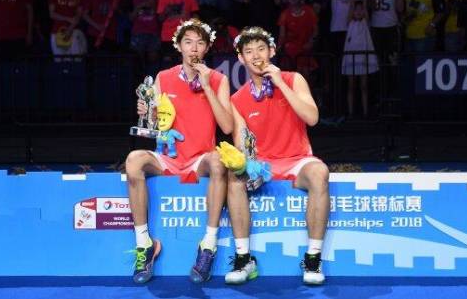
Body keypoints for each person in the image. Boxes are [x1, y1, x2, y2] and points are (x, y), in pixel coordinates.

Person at [125, 19, 233, 284]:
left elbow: (228, 126)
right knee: (133, 160)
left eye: (199, 43)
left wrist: (207, 86)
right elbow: (155, 124)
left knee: (219, 161)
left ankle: (208, 245)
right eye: (188, 42)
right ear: (179, 47)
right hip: (169, 157)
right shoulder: (163, 77)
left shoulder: (219, 79)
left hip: (200, 158)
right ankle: (144, 244)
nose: (194, 48)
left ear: (206, 48)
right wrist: (147, 112)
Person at [224, 27, 329, 286]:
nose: (256, 56)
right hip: (263, 165)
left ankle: (313, 258)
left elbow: (312, 118)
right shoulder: (237, 99)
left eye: (261, 49)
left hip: (298, 160)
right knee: (234, 177)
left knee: (320, 172)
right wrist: (246, 166)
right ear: (241, 58)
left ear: (271, 51)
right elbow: (242, 143)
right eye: (249, 51)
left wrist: (280, 83)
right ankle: (244, 258)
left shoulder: (294, 79)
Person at [342, 0, 379, 118]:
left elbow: (365, 9)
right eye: (355, 9)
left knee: (364, 86)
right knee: (351, 86)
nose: (358, 12)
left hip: (363, 59)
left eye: (361, 9)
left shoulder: (365, 23)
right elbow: (351, 9)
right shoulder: (350, 23)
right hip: (350, 59)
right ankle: (351, 113)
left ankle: (365, 112)